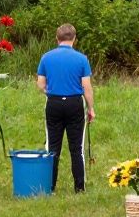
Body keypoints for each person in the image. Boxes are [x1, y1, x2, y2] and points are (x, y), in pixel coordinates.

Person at [36, 23, 95, 193]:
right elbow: (86, 87)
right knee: (76, 148)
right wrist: (91, 108)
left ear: (57, 38)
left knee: (53, 147)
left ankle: (50, 186)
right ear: (74, 39)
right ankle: (79, 187)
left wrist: (50, 92)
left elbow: (40, 84)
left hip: (53, 103)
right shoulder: (82, 59)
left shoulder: (46, 57)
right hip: (74, 104)